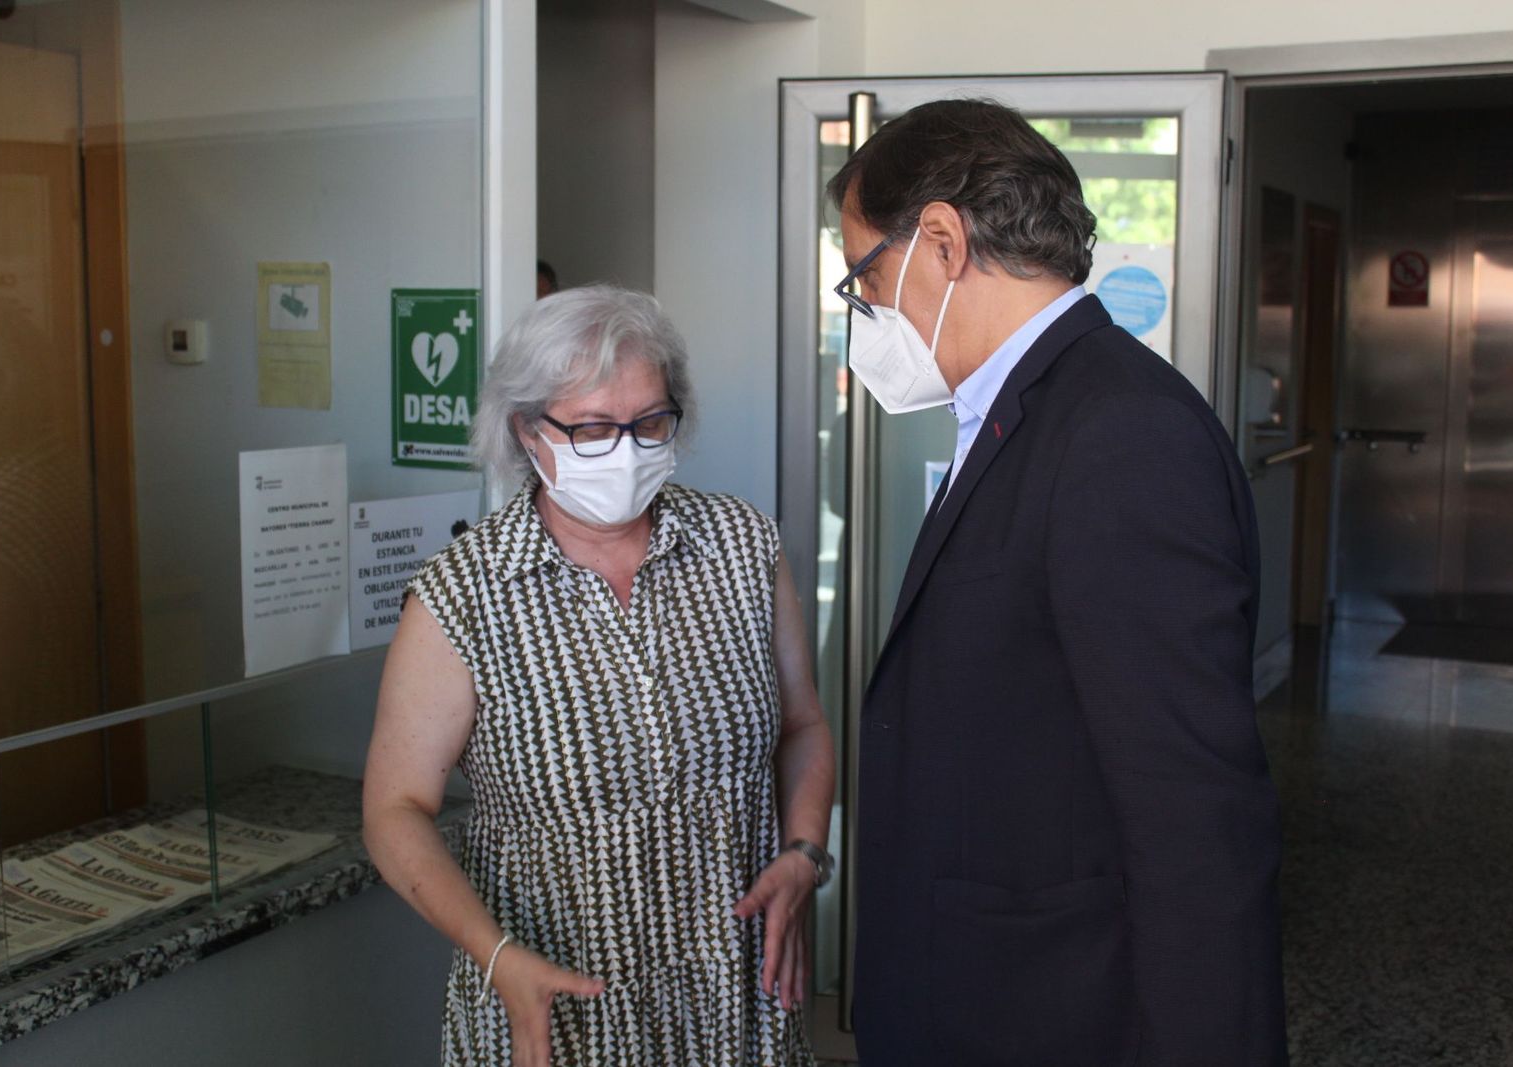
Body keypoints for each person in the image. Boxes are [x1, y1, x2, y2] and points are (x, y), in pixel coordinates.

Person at [828, 99, 1287, 1065]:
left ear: (943, 241)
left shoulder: (1120, 431)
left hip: (1050, 1009)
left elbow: (1193, 814)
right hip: (977, 988)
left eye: (864, 275)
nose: (865, 310)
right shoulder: (1017, 410)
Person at [362, 285, 834, 1067]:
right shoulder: (464, 594)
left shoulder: (743, 547)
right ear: (526, 429)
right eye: (591, 428)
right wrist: (494, 954)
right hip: (552, 1007)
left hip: (735, 998)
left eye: (649, 423)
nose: (626, 448)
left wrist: (804, 851)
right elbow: (394, 809)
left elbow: (803, 724)